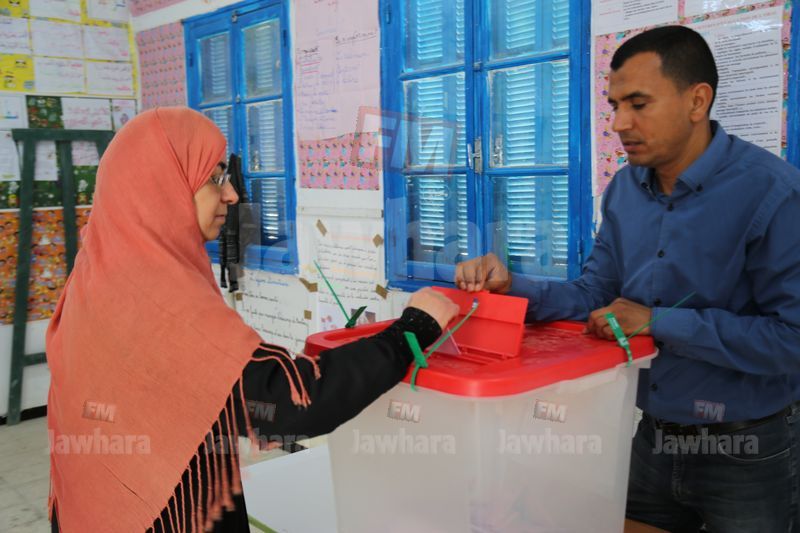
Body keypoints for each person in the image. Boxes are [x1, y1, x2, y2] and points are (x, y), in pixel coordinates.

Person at [46, 107, 459, 532]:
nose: (231, 195)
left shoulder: (98, 275)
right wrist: (412, 331)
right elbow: (289, 403)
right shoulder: (156, 298)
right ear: (161, 187)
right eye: (213, 179)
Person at [455, 25, 800, 532]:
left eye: (638, 104)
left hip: (748, 447)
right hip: (651, 436)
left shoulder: (772, 192)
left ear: (697, 100)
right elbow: (596, 293)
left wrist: (658, 322)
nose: (619, 123)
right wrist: (513, 287)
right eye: (615, 105)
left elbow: (791, 338)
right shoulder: (624, 190)